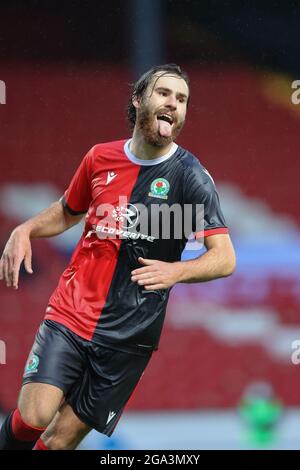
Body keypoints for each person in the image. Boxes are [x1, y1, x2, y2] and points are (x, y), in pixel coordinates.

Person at [0, 63, 236, 450]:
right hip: (72, 315)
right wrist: (25, 228)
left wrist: (177, 271)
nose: (173, 104)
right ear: (139, 99)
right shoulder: (99, 158)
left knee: (59, 441)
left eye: (182, 99)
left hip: (131, 337)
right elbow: (68, 210)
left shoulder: (189, 177)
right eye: (164, 94)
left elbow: (224, 258)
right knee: (35, 418)